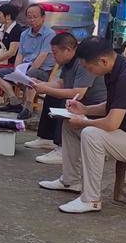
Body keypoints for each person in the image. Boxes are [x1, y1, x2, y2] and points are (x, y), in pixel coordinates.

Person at [39, 37, 126, 214]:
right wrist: (85, 109)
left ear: (103, 61)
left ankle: (90, 199)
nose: (87, 71)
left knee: (91, 134)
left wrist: (84, 121)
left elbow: (111, 123)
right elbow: (112, 105)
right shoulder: (114, 70)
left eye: (88, 67)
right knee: (69, 123)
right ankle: (70, 180)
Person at [25, 33, 107, 165]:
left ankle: (63, 148)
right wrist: (41, 84)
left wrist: (46, 89)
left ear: (68, 50)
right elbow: (61, 83)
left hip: (93, 104)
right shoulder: (67, 62)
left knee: (66, 100)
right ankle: (47, 138)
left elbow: (78, 93)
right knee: (53, 95)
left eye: (55, 53)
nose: (53, 56)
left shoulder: (83, 62)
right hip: (83, 100)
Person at [0, 4, 56, 119]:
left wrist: (25, 76)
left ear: (43, 18)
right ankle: (14, 102)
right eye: (29, 17)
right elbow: (20, 55)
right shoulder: (24, 34)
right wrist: (17, 72)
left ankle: (28, 107)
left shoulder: (49, 34)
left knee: (31, 74)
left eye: (35, 17)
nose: (32, 20)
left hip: (41, 71)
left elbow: (42, 57)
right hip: (25, 69)